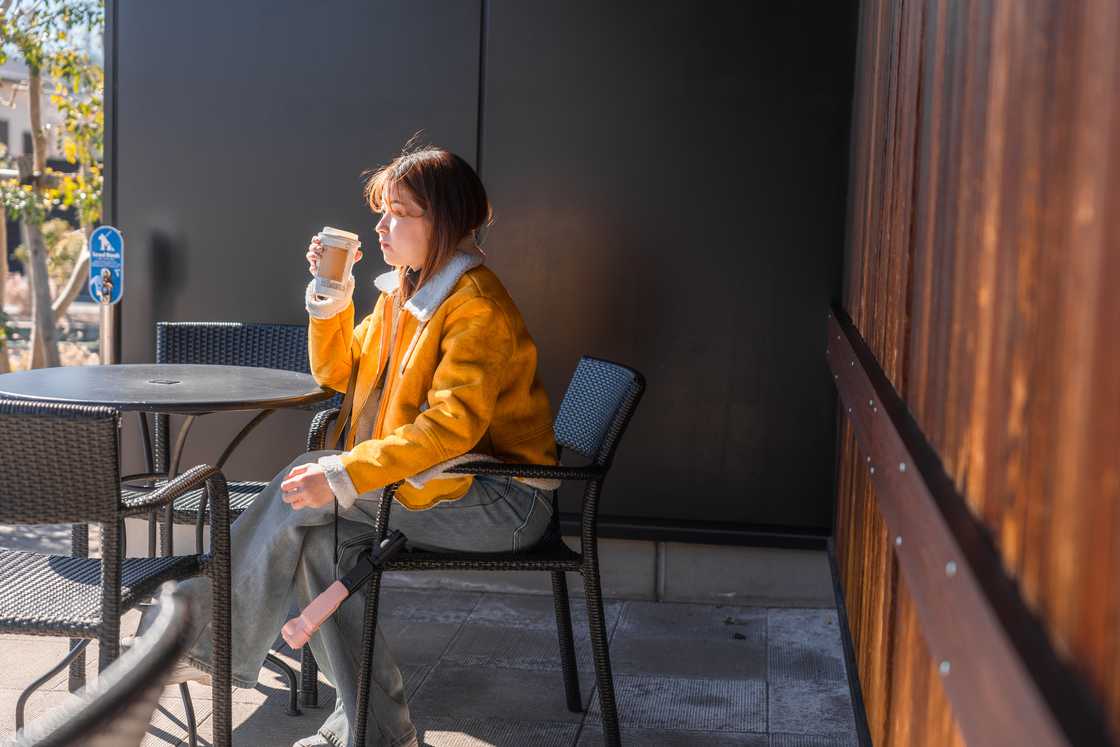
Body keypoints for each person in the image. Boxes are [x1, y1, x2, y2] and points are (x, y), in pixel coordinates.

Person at [147, 143, 561, 747]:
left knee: (307, 482)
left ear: (441, 221)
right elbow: (339, 373)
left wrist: (342, 474)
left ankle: (204, 637)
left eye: (398, 211)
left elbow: (450, 429)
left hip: (504, 501)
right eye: (381, 211)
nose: (381, 224)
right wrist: (330, 290)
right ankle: (375, 732)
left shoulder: (475, 308)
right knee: (322, 543)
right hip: (444, 484)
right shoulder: (406, 295)